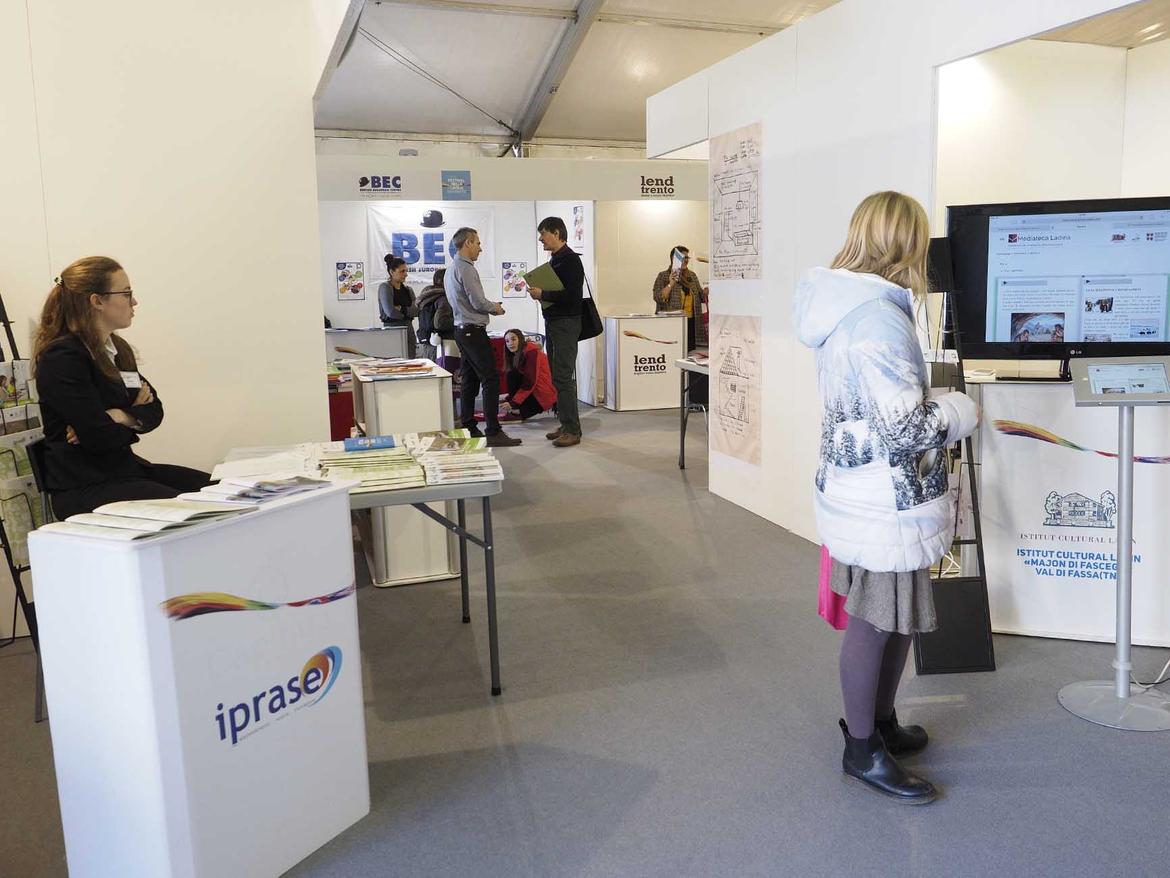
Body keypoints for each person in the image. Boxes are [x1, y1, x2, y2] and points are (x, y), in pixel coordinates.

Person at [793, 191, 980, 805]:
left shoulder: (852, 308)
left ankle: (879, 725)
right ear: (907, 243)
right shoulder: (879, 320)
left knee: (891, 619)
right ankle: (862, 749)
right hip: (886, 501)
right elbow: (905, 429)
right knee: (877, 624)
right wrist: (961, 409)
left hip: (866, 492)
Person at [33, 256, 212, 519]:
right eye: (126, 294)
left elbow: (155, 410)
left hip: (126, 472)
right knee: (197, 512)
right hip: (87, 486)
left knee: (219, 490)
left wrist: (120, 416)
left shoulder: (118, 350)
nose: (134, 302)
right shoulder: (63, 358)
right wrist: (126, 416)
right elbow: (99, 438)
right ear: (97, 301)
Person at [444, 228, 520, 447]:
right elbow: (477, 301)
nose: (480, 248)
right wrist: (495, 308)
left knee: (469, 380)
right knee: (490, 379)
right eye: (477, 243)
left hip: (461, 330)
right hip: (473, 331)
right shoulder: (466, 268)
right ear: (467, 243)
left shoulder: (451, 269)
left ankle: (468, 426)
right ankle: (493, 431)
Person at [527, 216, 585, 447]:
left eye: (543, 233)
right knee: (557, 376)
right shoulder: (557, 259)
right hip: (554, 322)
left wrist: (543, 294)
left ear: (557, 233)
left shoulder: (570, 260)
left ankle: (572, 430)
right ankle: (566, 424)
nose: (541, 239)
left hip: (565, 324)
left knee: (563, 377)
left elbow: (572, 295)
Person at [652, 245, 708, 350]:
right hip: (673, 324)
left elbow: (700, 297)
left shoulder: (692, 275)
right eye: (682, 258)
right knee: (673, 351)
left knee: (690, 351)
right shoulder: (663, 276)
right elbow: (658, 298)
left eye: (687, 258)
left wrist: (706, 291)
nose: (686, 260)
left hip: (691, 323)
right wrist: (671, 283)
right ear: (674, 259)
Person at [499, 329, 555, 422]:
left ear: (520, 339)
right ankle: (516, 408)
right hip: (536, 391)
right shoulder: (521, 352)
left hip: (544, 394)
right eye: (507, 341)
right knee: (512, 373)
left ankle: (516, 411)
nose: (510, 343)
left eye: (513, 339)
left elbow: (530, 381)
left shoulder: (532, 353)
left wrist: (514, 402)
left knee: (513, 375)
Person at [378, 255, 418, 357]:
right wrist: (407, 312)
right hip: (393, 329)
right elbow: (390, 312)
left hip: (408, 329)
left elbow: (417, 311)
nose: (406, 274)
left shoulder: (408, 290)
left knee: (411, 359)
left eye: (406, 271)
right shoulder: (385, 287)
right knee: (395, 360)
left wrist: (401, 308)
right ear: (392, 272)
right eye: (402, 271)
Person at [415, 268, 454, 362]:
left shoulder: (426, 297)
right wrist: (459, 320)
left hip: (427, 342)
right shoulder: (443, 298)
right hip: (441, 344)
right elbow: (440, 323)